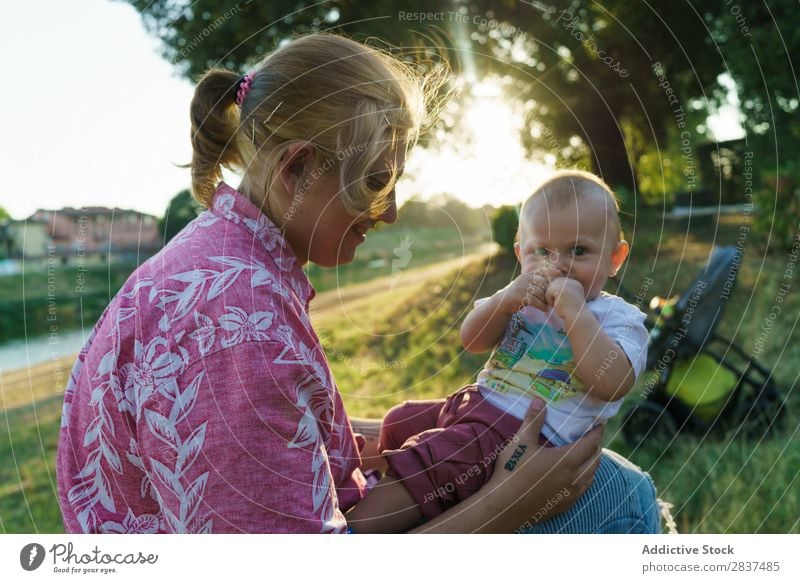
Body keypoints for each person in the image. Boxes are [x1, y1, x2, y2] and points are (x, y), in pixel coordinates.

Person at [56, 33, 659, 533]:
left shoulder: (219, 263)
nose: (392, 210)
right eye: (375, 181)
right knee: (620, 498)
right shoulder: (236, 326)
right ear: (296, 170)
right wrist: (502, 505)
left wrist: (359, 439)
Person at [347, 171, 651, 533]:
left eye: (579, 251)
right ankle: (417, 496)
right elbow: (472, 340)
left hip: (521, 436)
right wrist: (504, 301)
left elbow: (613, 384)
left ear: (614, 258)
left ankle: (361, 528)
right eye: (542, 252)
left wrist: (576, 313)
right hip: (473, 406)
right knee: (398, 421)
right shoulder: (519, 297)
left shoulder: (618, 318)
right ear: (521, 253)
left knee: (431, 462)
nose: (558, 265)